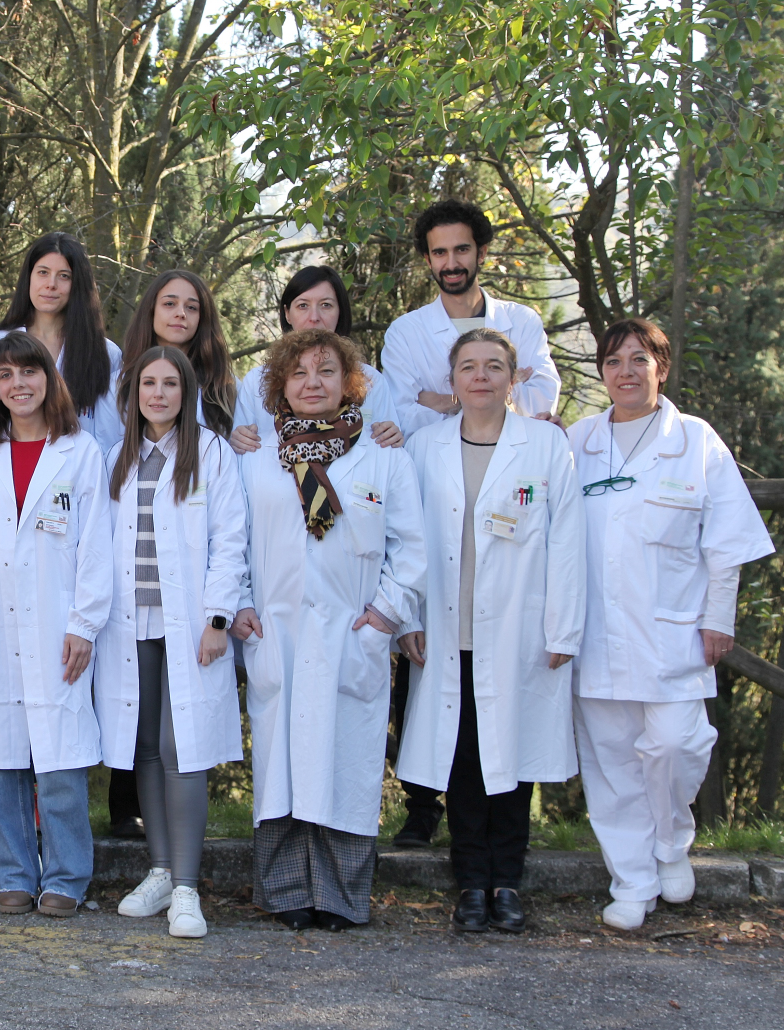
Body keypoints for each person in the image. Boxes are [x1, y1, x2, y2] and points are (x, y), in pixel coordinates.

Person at [567, 319, 773, 932]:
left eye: (638, 359)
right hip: (595, 632)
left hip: (673, 631)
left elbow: (727, 542)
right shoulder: (578, 442)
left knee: (678, 744)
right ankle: (632, 880)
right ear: (601, 372)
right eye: (612, 361)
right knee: (611, 762)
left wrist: (717, 618)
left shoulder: (696, 441)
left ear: (662, 366)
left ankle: (670, 841)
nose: (625, 372)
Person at [394, 329, 585, 935]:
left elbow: (569, 544)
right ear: (452, 380)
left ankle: (509, 880)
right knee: (463, 759)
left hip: (521, 631)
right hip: (447, 632)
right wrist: (408, 621)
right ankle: (470, 881)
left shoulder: (547, 448)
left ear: (513, 376)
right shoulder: (424, 447)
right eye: (469, 367)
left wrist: (564, 628)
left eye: (494, 366)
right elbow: (407, 542)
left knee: (514, 759)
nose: (481, 376)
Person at [234, 328, 425, 931]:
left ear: (349, 383)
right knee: (283, 768)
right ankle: (288, 894)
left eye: (325, 372)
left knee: (345, 768)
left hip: (352, 635)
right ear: (279, 387)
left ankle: (341, 897)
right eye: (298, 374)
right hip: (278, 635)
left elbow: (413, 549)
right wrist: (239, 606)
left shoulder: (384, 458)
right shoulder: (255, 462)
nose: (312, 383)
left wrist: (384, 618)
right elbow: (230, 543)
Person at [0, 332, 112, 917]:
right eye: (5, 375)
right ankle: (15, 873)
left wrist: (84, 625)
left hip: (56, 624)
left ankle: (67, 878)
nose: (18, 384)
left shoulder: (81, 451)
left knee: (61, 766)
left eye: (29, 371)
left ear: (49, 377)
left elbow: (97, 547)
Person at [99, 346, 247, 939]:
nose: (157, 394)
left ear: (186, 392)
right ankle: (159, 871)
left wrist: (217, 618)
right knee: (146, 746)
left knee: (181, 745)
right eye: (147, 385)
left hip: (190, 626)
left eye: (169, 384)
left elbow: (230, 539)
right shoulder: (119, 457)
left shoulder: (210, 454)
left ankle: (187, 886)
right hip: (130, 625)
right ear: (133, 393)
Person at [379, 200, 561, 437]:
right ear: (428, 260)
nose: (451, 264)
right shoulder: (405, 333)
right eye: (440, 253)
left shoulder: (522, 322)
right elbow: (401, 417)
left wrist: (445, 401)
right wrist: (507, 389)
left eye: (462, 250)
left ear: (481, 253)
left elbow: (541, 405)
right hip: (435, 468)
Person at [0, 233, 123, 453]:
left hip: (78, 476)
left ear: (77, 284)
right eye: (43, 272)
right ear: (29, 277)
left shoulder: (105, 353)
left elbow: (109, 434)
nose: (51, 285)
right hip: (8, 470)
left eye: (64, 276)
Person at [230, 266, 402, 451]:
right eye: (303, 305)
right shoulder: (257, 381)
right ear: (287, 313)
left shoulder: (370, 380)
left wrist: (392, 434)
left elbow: (389, 447)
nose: (314, 317)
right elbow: (241, 452)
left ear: (340, 311)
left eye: (326, 305)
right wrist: (236, 439)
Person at [119, 269, 239, 438]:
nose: (181, 313)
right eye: (169, 304)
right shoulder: (119, 384)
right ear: (151, 309)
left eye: (191, 307)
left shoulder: (224, 387)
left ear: (202, 318)